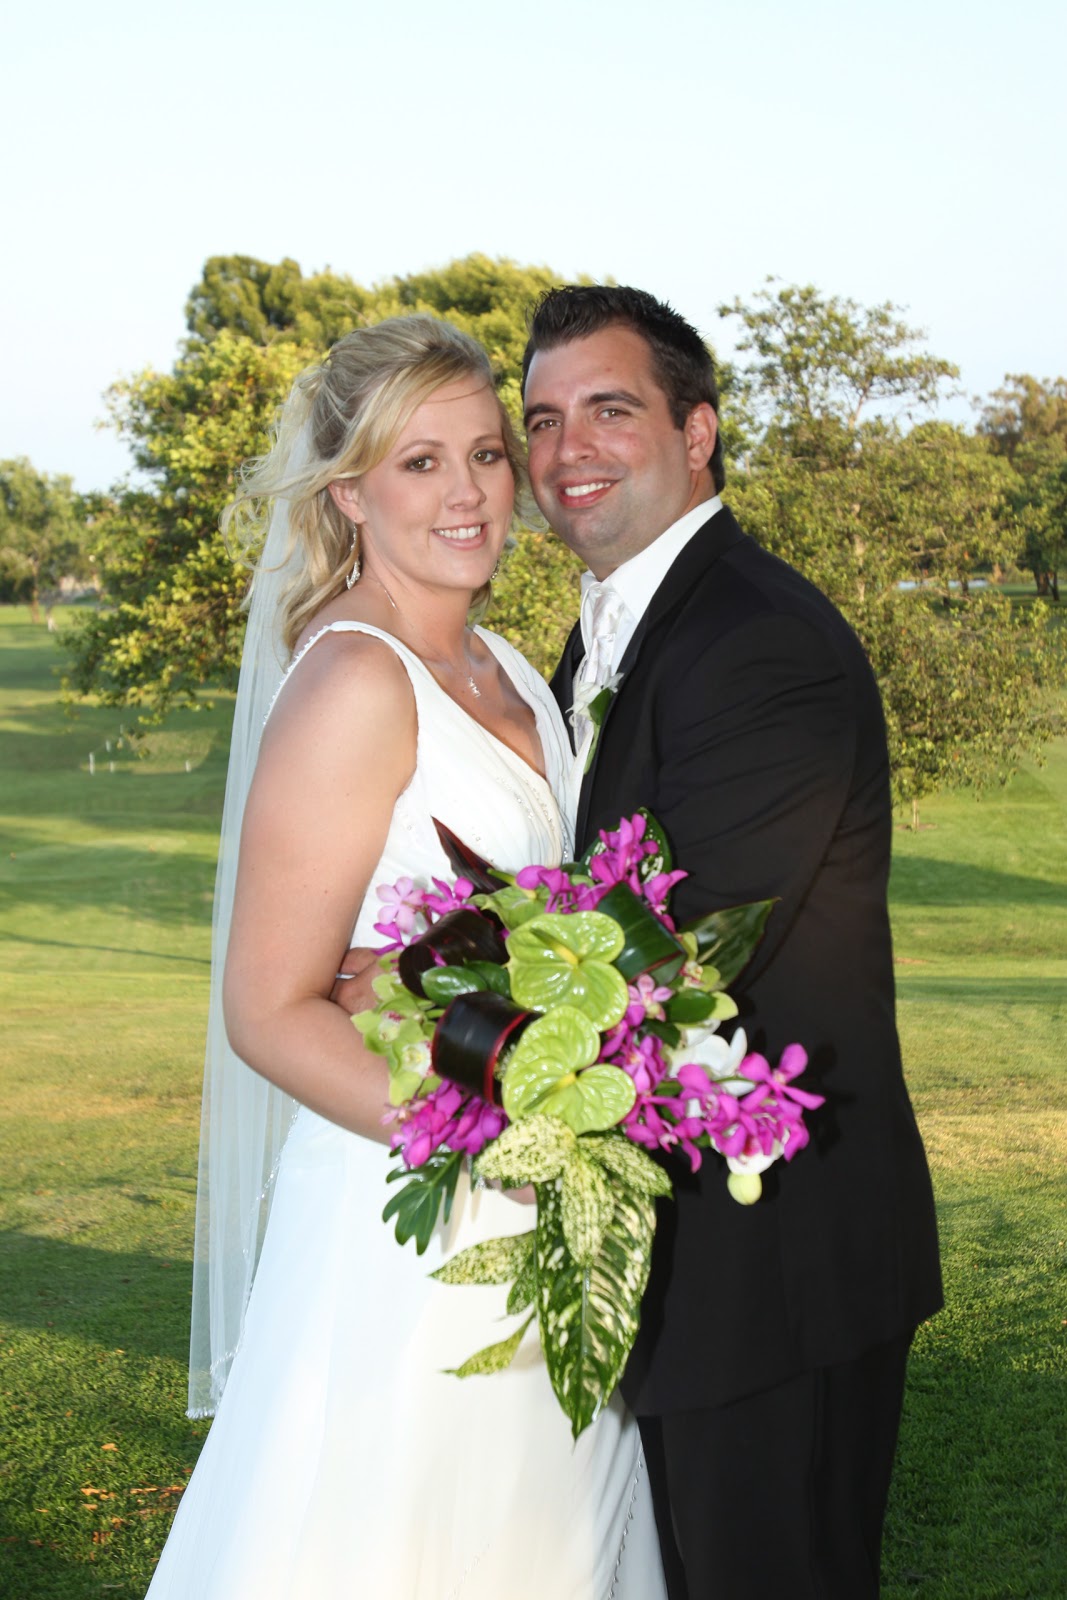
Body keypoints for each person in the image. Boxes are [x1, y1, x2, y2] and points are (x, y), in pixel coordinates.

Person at [147, 315, 667, 1599]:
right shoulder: (356, 684)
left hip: (551, 1213)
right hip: (415, 1227)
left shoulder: (505, 669)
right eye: (419, 462)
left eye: (486, 455)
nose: (470, 493)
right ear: (349, 494)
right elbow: (269, 1009)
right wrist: (497, 1139)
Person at [519, 285, 944, 1600]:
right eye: (538, 420)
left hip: (771, 1265)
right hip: (675, 1246)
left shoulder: (757, 645)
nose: (564, 449)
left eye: (608, 409)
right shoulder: (604, 636)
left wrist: (427, 999)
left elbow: (670, 958)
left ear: (696, 432)